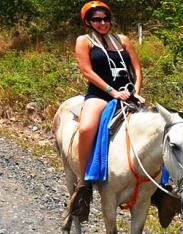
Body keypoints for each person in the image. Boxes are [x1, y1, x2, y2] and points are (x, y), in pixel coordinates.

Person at [72, 1, 144, 200]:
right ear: (88, 21)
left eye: (106, 18)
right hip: (100, 95)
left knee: (159, 127)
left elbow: (137, 69)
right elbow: (87, 71)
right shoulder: (84, 41)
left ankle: (159, 183)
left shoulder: (122, 40)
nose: (103, 23)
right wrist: (112, 92)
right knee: (87, 128)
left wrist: (135, 92)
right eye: (97, 19)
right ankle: (84, 180)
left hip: (129, 94)